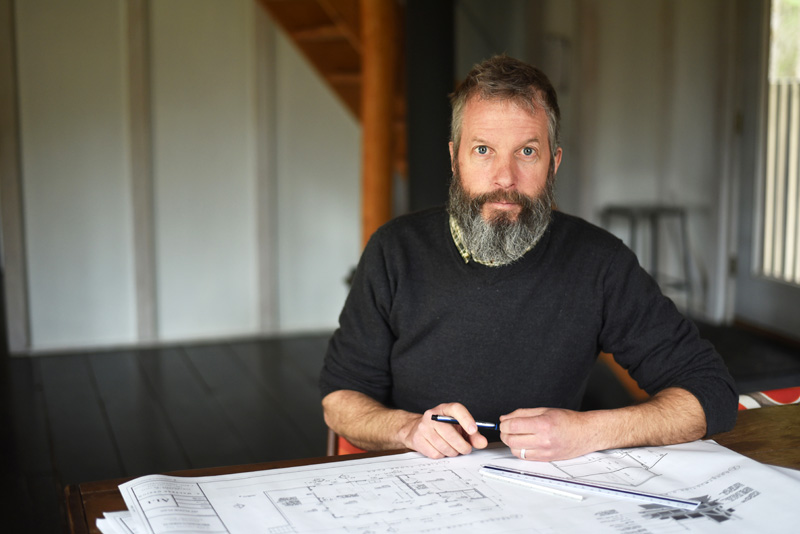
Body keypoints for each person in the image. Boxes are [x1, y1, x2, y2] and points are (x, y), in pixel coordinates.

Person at [319, 55, 738, 462]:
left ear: (553, 163)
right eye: (483, 150)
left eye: (527, 152)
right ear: (454, 159)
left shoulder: (599, 262)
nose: (505, 178)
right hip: (418, 485)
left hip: (549, 492)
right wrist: (408, 429)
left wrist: (588, 431)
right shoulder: (394, 250)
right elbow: (340, 399)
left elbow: (711, 392)